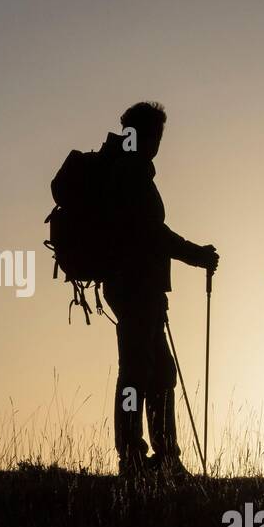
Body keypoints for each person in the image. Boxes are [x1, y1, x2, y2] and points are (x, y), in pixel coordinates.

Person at [99, 102, 218, 478]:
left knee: (157, 371)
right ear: (148, 136)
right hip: (135, 287)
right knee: (137, 372)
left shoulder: (127, 170)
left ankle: (161, 457)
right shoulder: (131, 174)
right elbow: (152, 234)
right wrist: (196, 254)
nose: (157, 143)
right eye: (156, 136)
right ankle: (135, 457)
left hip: (136, 287)